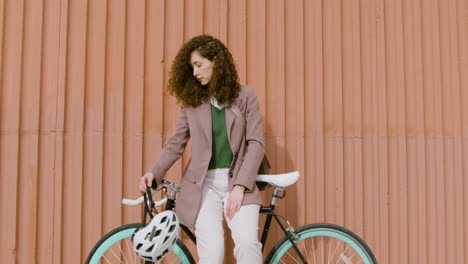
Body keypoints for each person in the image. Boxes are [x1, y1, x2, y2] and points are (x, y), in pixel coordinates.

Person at [139, 35, 264, 263]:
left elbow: (256, 143)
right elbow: (176, 143)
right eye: (192, 68)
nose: (195, 72)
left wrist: (239, 186)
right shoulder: (192, 103)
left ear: (215, 60)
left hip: (238, 183)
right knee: (212, 255)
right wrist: (153, 172)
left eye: (199, 65)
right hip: (203, 186)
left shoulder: (246, 96)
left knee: (247, 245)